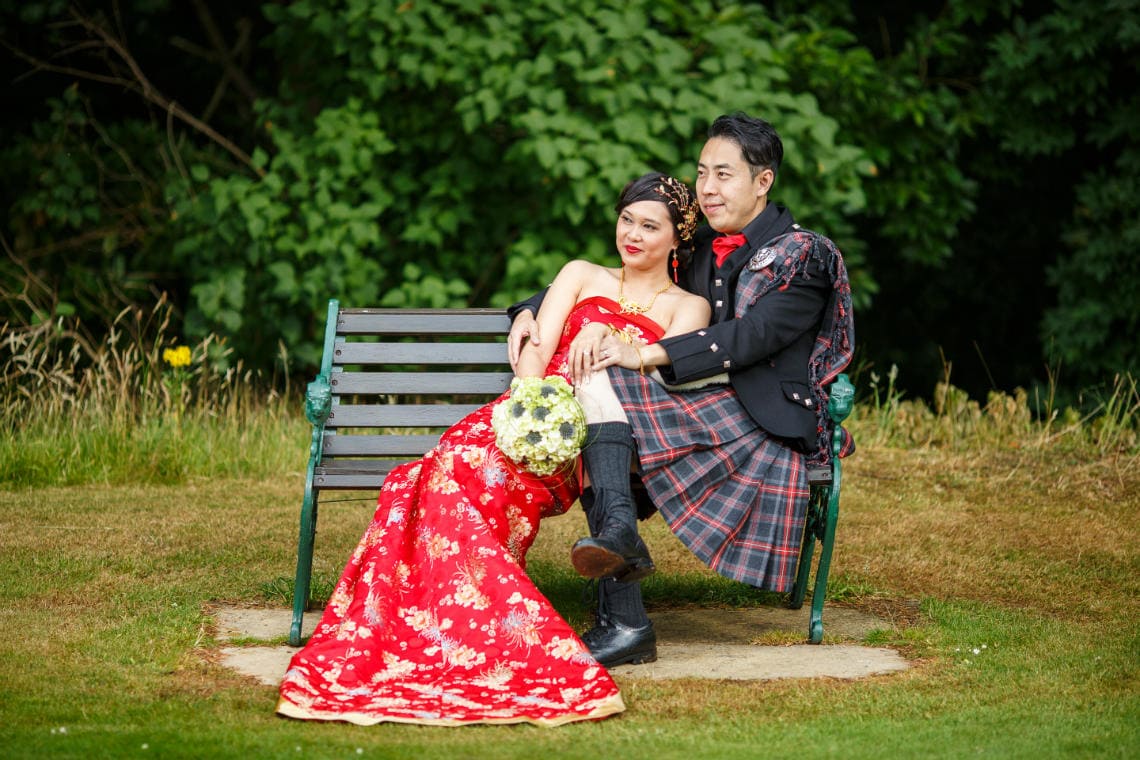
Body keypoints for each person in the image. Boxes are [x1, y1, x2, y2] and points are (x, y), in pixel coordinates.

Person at [276, 172, 709, 727]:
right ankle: (427, 626)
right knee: (431, 473)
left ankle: (470, 629)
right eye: (627, 219)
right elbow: (538, 348)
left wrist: (605, 358)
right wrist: (529, 409)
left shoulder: (687, 306)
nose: (633, 234)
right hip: (526, 419)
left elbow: (658, 367)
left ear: (678, 236)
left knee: (454, 479)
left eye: (651, 226)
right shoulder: (582, 274)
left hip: (590, 441)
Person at [507, 112, 855, 668]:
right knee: (605, 371)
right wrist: (525, 313)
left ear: (763, 182)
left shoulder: (803, 255)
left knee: (609, 371)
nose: (708, 188)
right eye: (702, 173)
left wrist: (640, 352)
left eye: (724, 174)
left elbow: (751, 336)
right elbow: (613, 282)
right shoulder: (699, 250)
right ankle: (624, 599)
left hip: (759, 424)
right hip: (690, 404)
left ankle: (622, 604)